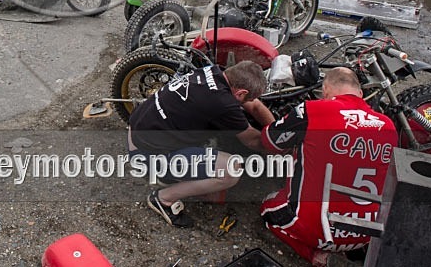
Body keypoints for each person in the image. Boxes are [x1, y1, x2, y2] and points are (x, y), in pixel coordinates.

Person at [261, 67, 398, 266]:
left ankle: (314, 255)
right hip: (366, 232)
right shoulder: (389, 126)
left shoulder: (313, 110)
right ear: (360, 94)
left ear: (325, 90)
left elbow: (269, 141)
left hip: (317, 230)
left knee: (268, 208)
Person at [128, 61, 275, 227]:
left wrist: (275, 126)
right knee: (232, 170)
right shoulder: (222, 103)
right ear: (241, 92)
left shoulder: (213, 71)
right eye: (248, 97)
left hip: (138, 131)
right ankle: (163, 199)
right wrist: (280, 145)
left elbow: (254, 106)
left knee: (213, 133)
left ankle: (186, 176)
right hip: (147, 155)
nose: (251, 100)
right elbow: (253, 140)